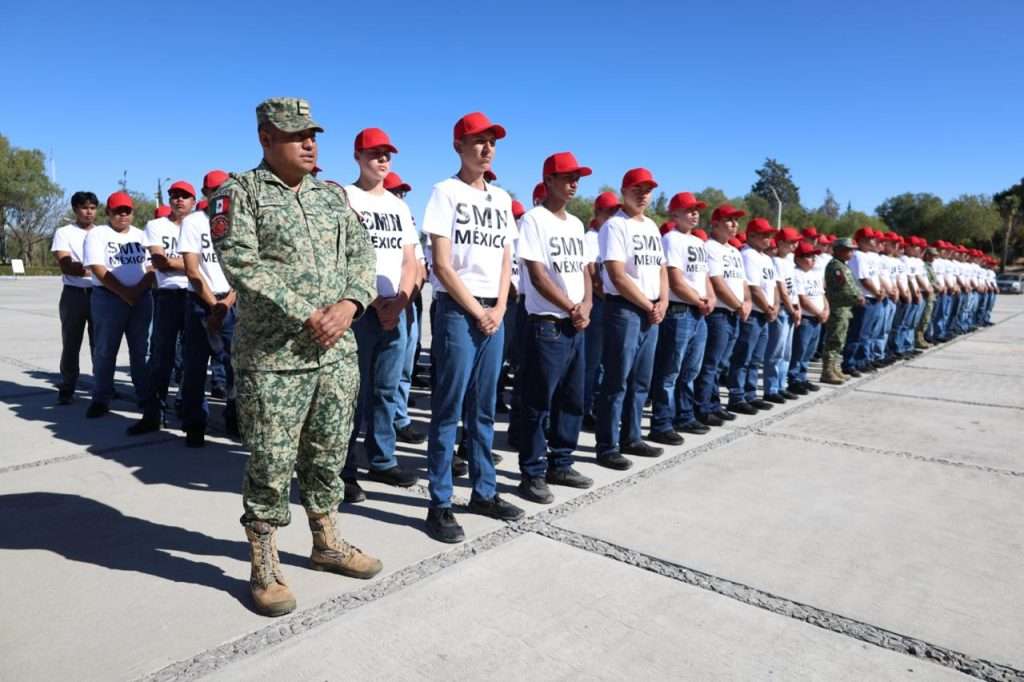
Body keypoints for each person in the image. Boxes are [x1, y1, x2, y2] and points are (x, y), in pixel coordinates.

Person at [211, 97, 382, 617]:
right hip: (274, 359)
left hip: (336, 353)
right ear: (266, 138)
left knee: (328, 453)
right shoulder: (239, 193)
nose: (309, 144)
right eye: (295, 135)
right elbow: (241, 265)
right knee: (270, 462)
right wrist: (308, 312)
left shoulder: (330, 197)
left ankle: (326, 542)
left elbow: (362, 253)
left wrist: (350, 305)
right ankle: (263, 562)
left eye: (313, 135)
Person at [421, 111, 523, 544]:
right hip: (458, 311)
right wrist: (477, 310)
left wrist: (499, 306)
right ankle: (440, 502)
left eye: (492, 142)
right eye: (478, 141)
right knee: (448, 409)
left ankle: (485, 491)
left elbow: (505, 258)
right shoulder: (445, 193)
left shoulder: (500, 199)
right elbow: (443, 265)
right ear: (458, 146)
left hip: (493, 312)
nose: (486, 148)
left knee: (484, 409)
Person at [339, 128, 421, 501]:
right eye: (375, 153)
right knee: (352, 394)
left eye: (387, 153)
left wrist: (400, 302)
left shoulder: (398, 206)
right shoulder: (345, 197)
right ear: (358, 156)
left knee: (386, 390)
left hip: (395, 309)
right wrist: (373, 301)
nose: (383, 159)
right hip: (359, 311)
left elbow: (409, 260)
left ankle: (382, 458)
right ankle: (343, 469)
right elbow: (341, 257)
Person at [515, 151, 596, 503]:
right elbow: (537, 275)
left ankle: (561, 462)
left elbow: (585, 272)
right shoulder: (534, 219)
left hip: (576, 323)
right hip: (547, 325)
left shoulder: (576, 224)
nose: (574, 183)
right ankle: (532, 472)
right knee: (538, 402)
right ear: (548, 180)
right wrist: (570, 306)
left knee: (572, 399)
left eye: (577, 178)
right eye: (567, 177)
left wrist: (587, 304)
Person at [595, 168, 668, 469]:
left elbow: (661, 268)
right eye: (637, 189)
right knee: (616, 380)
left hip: (651, 310)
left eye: (648, 190)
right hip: (624, 309)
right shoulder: (615, 226)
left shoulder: (651, 226)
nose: (643, 195)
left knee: (640, 380)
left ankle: (632, 436)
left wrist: (663, 301)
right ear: (624, 191)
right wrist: (649, 304)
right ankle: (607, 446)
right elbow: (617, 275)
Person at [128, 180, 196, 435]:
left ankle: (190, 415)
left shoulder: (201, 225)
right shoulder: (156, 226)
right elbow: (160, 262)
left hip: (195, 294)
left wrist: (176, 262)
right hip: (167, 297)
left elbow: (210, 263)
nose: (179, 200)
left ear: (193, 200)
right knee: (160, 358)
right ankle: (153, 414)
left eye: (184, 196)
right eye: (174, 195)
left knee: (192, 359)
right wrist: (193, 264)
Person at [82, 192, 158, 421]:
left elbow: (152, 267)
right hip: (108, 299)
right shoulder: (97, 235)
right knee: (105, 350)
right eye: (118, 211)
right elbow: (98, 268)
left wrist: (137, 291)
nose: (123, 215)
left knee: (141, 351)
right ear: (108, 212)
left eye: (127, 211)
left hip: (141, 299)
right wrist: (125, 293)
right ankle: (101, 398)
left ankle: (145, 397)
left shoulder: (141, 235)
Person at [178, 170, 237, 448]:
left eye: (225, 189)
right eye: (214, 191)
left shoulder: (238, 220)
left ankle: (235, 417)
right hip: (202, 303)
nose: (220, 195)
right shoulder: (194, 222)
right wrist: (214, 306)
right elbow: (192, 270)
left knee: (236, 366)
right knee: (195, 367)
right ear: (205, 193)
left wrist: (227, 303)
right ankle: (195, 423)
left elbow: (245, 269)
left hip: (231, 302)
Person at [648, 191, 714, 444]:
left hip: (698, 312)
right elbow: (675, 280)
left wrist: (709, 298)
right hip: (680, 311)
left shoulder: (698, 242)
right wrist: (698, 300)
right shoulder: (671, 239)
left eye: (696, 210)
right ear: (674, 214)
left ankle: (684, 415)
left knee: (691, 369)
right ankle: (661, 423)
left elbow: (704, 276)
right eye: (688, 210)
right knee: (670, 371)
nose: (694, 214)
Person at [383, 171, 428, 449]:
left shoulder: (405, 217)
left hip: (408, 300)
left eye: (403, 192)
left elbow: (418, 265)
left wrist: (408, 298)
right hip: (381, 302)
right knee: (382, 373)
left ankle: (399, 419)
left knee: (404, 366)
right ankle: (381, 424)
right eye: (397, 191)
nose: (401, 196)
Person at [693, 204, 749, 426]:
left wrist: (746, 302)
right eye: (729, 220)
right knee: (710, 363)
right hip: (719, 313)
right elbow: (717, 281)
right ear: (715, 224)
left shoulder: (734, 251)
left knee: (721, 364)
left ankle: (714, 404)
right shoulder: (710, 247)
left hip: (734, 312)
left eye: (736, 220)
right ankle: (702, 407)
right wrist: (738, 305)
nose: (734, 224)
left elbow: (742, 281)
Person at [51, 191, 99, 405]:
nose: (89, 212)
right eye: (84, 207)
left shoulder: (102, 233)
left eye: (92, 208)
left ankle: (103, 386)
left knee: (101, 345)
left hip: (100, 294)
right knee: (71, 343)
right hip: (74, 295)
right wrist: (95, 270)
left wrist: (93, 271)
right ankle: (68, 386)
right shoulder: (64, 233)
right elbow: (66, 265)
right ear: (75, 210)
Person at [726, 217, 777, 414]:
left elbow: (773, 286)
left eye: (769, 234)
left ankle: (750, 394)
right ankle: (737, 396)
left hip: (765, 314)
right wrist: (768, 309)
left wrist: (775, 307)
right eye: (764, 235)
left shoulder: (766, 258)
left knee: (755, 359)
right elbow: (754, 288)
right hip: (754, 313)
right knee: (743, 358)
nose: (768, 238)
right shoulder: (748, 255)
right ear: (752, 235)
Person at [581, 191, 620, 431]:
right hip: (598, 303)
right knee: (592, 361)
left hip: (613, 303)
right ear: (597, 213)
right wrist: (609, 295)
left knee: (606, 362)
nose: (613, 215)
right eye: (609, 211)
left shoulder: (614, 235)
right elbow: (593, 274)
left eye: (616, 211)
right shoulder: (591, 238)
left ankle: (596, 405)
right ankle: (584, 408)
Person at [764, 227, 802, 402]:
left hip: (792, 308)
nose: (795, 245)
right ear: (780, 243)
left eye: (796, 242)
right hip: (783, 310)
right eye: (791, 242)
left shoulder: (790, 261)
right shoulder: (776, 261)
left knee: (786, 352)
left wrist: (797, 307)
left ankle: (781, 385)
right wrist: (791, 309)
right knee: (776, 351)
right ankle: (771, 388)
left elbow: (793, 288)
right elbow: (781, 289)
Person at [842, 227, 883, 376]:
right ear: (862, 241)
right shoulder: (857, 256)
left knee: (867, 333)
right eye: (870, 239)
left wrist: (881, 290)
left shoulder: (871, 256)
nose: (874, 241)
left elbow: (876, 276)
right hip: (865, 298)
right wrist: (876, 292)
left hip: (874, 297)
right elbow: (863, 279)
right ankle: (849, 363)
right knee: (858, 333)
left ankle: (862, 360)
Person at [788, 241, 828, 393]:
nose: (813, 259)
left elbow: (822, 295)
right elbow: (802, 299)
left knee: (809, 351)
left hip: (817, 318)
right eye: (808, 256)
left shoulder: (815, 274)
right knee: (799, 350)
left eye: (813, 256)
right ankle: (794, 379)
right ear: (798, 258)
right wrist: (819, 313)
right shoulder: (796, 274)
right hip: (806, 318)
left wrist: (826, 309)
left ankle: (802, 377)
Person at [822, 238, 863, 384]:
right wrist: (857, 297)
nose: (851, 253)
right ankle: (827, 371)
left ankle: (834, 368)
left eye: (852, 250)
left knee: (840, 340)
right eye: (848, 250)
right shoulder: (836, 267)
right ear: (839, 250)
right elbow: (845, 288)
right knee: (834, 340)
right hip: (838, 308)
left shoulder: (842, 265)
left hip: (844, 308)